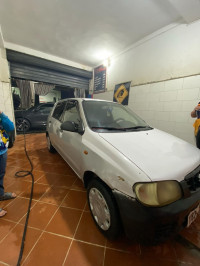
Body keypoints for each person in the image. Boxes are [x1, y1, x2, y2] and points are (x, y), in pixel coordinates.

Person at [0, 110, 16, 217]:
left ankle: (1, 195)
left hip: (2, 151)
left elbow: (10, 127)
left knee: (1, 174)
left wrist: (1, 114)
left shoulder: (1, 117)